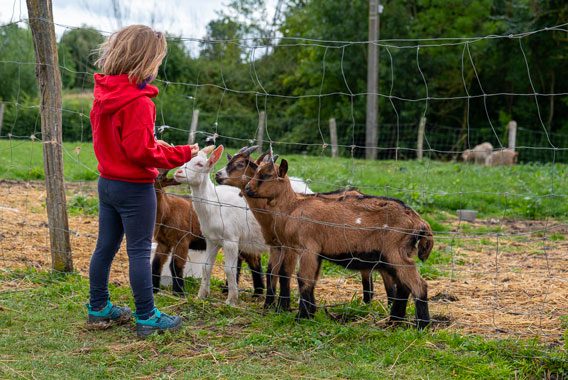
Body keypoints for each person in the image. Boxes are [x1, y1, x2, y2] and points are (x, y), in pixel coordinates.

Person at [86, 25, 198, 338]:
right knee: (138, 251)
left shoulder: (104, 94)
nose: (158, 68)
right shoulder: (139, 103)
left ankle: (98, 307)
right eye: (158, 62)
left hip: (107, 181)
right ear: (146, 62)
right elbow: (142, 152)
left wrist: (162, 149)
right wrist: (181, 154)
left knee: (105, 247)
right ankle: (147, 315)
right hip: (135, 189)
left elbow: (124, 144)